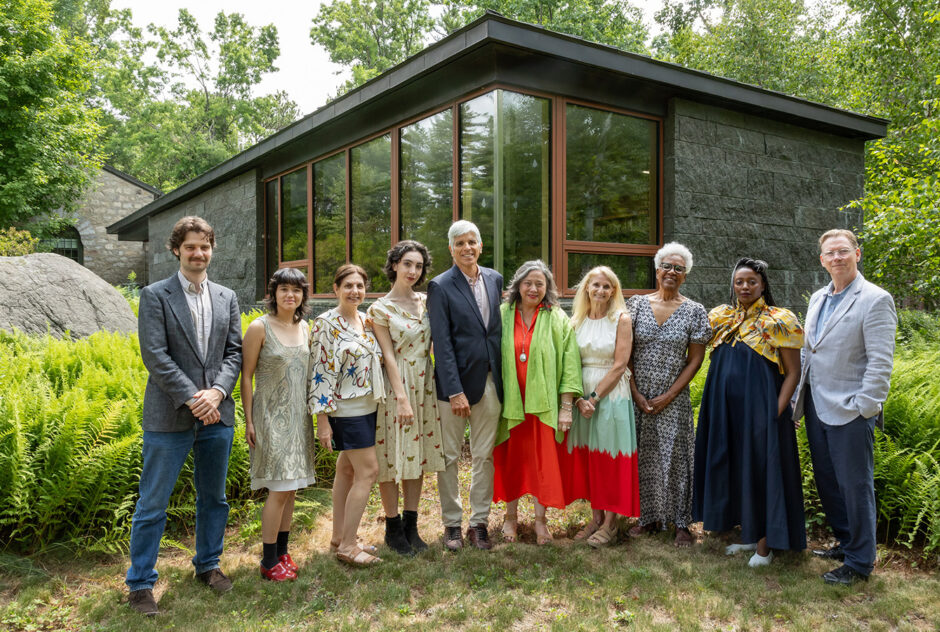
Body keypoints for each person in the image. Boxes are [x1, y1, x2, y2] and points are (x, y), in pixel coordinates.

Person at [126, 216, 243, 616]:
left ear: (212, 250)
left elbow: (234, 352)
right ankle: (140, 584)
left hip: (217, 415)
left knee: (214, 499)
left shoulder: (228, 296)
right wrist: (195, 397)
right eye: (191, 246)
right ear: (177, 249)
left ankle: (208, 566)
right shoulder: (155, 295)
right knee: (152, 503)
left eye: (205, 246)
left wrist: (217, 392)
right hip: (170, 415)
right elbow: (155, 356)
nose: (199, 253)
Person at [792, 229, 897, 585]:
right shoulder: (819, 298)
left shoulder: (876, 299)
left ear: (857, 253)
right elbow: (809, 351)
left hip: (851, 411)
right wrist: (798, 401)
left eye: (843, 251)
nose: (836, 258)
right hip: (817, 407)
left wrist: (864, 406)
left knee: (855, 486)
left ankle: (860, 562)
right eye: (829, 253)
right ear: (822, 260)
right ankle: (846, 542)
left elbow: (881, 363)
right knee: (828, 482)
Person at [692, 258, 805, 567]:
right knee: (737, 468)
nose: (744, 287)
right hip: (724, 410)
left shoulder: (780, 320)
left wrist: (776, 412)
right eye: (739, 282)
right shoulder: (720, 317)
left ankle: (765, 547)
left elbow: (793, 373)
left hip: (763, 411)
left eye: (751, 282)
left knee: (763, 471)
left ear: (763, 285)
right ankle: (748, 536)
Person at [492, 260, 582, 545]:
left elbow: (570, 364)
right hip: (509, 403)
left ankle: (541, 522)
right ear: (518, 285)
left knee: (542, 463)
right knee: (512, 460)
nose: (533, 288)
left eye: (539, 284)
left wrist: (566, 406)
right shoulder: (502, 314)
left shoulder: (557, 317)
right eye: (528, 283)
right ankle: (510, 518)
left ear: (548, 288)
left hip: (543, 405)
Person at [627, 242, 711, 547]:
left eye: (679, 268)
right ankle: (647, 518)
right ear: (657, 269)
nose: (671, 272)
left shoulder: (694, 311)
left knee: (676, 457)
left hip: (673, 397)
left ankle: (680, 523)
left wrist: (669, 395)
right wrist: (635, 391)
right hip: (638, 393)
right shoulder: (635, 305)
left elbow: (696, 359)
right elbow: (626, 353)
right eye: (667, 266)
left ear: (685, 275)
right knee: (643, 454)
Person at [427, 220, 503, 551]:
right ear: (451, 249)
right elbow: (441, 344)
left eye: (472, 242)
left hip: (490, 382)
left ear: (481, 246)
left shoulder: (496, 279)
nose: (467, 248)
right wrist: (455, 390)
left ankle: (479, 524)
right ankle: (452, 525)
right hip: (453, 388)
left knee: (484, 456)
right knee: (448, 456)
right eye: (460, 243)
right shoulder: (440, 286)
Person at [367, 241, 445, 556]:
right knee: (391, 456)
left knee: (419, 455)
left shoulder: (428, 302)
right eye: (407, 264)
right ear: (395, 264)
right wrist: (401, 398)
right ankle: (392, 526)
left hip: (425, 384)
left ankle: (412, 525)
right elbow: (387, 355)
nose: (413, 271)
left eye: (418, 266)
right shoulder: (380, 308)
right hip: (395, 386)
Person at [242, 268, 317, 581]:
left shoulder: (305, 327)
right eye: (284, 289)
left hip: (299, 418)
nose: (291, 295)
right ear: (272, 293)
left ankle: (283, 552)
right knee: (279, 489)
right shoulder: (259, 328)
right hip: (270, 417)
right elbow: (245, 376)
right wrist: (249, 420)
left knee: (292, 489)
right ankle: (268, 560)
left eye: (297, 290)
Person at [308, 264, 385, 567]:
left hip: (368, 406)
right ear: (335, 289)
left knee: (347, 470)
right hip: (345, 409)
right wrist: (322, 420)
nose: (355, 291)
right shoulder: (326, 323)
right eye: (348, 285)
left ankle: (339, 536)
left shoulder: (366, 321)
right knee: (369, 472)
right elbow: (320, 373)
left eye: (360, 286)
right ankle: (350, 545)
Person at [567, 266, 639, 548]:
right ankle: (595, 517)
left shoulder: (620, 319)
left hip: (610, 395)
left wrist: (594, 398)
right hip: (581, 395)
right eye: (595, 285)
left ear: (614, 291)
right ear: (587, 288)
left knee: (609, 457)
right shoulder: (577, 320)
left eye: (607, 286)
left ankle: (611, 523)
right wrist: (577, 398)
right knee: (590, 458)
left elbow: (620, 364)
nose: (600, 290)